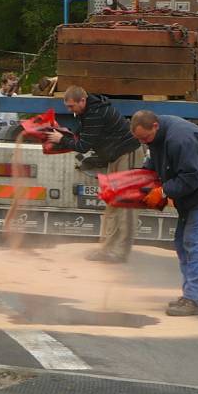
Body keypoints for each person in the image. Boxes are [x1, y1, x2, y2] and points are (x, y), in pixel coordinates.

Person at [131, 111, 198, 316]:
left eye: (145, 138)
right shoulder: (156, 137)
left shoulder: (180, 139)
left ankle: (194, 299)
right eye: (140, 140)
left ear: (155, 126)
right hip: (193, 193)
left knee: (196, 242)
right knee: (182, 242)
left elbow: (192, 176)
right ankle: (197, 293)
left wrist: (163, 191)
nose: (144, 142)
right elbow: (154, 159)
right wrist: (143, 180)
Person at [47, 86, 144, 263]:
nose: (69, 110)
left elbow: (84, 145)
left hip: (127, 154)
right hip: (115, 156)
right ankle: (107, 248)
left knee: (126, 205)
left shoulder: (95, 113)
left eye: (71, 106)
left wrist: (61, 140)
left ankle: (121, 252)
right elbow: (81, 135)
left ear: (82, 101)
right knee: (112, 202)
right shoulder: (88, 111)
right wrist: (64, 133)